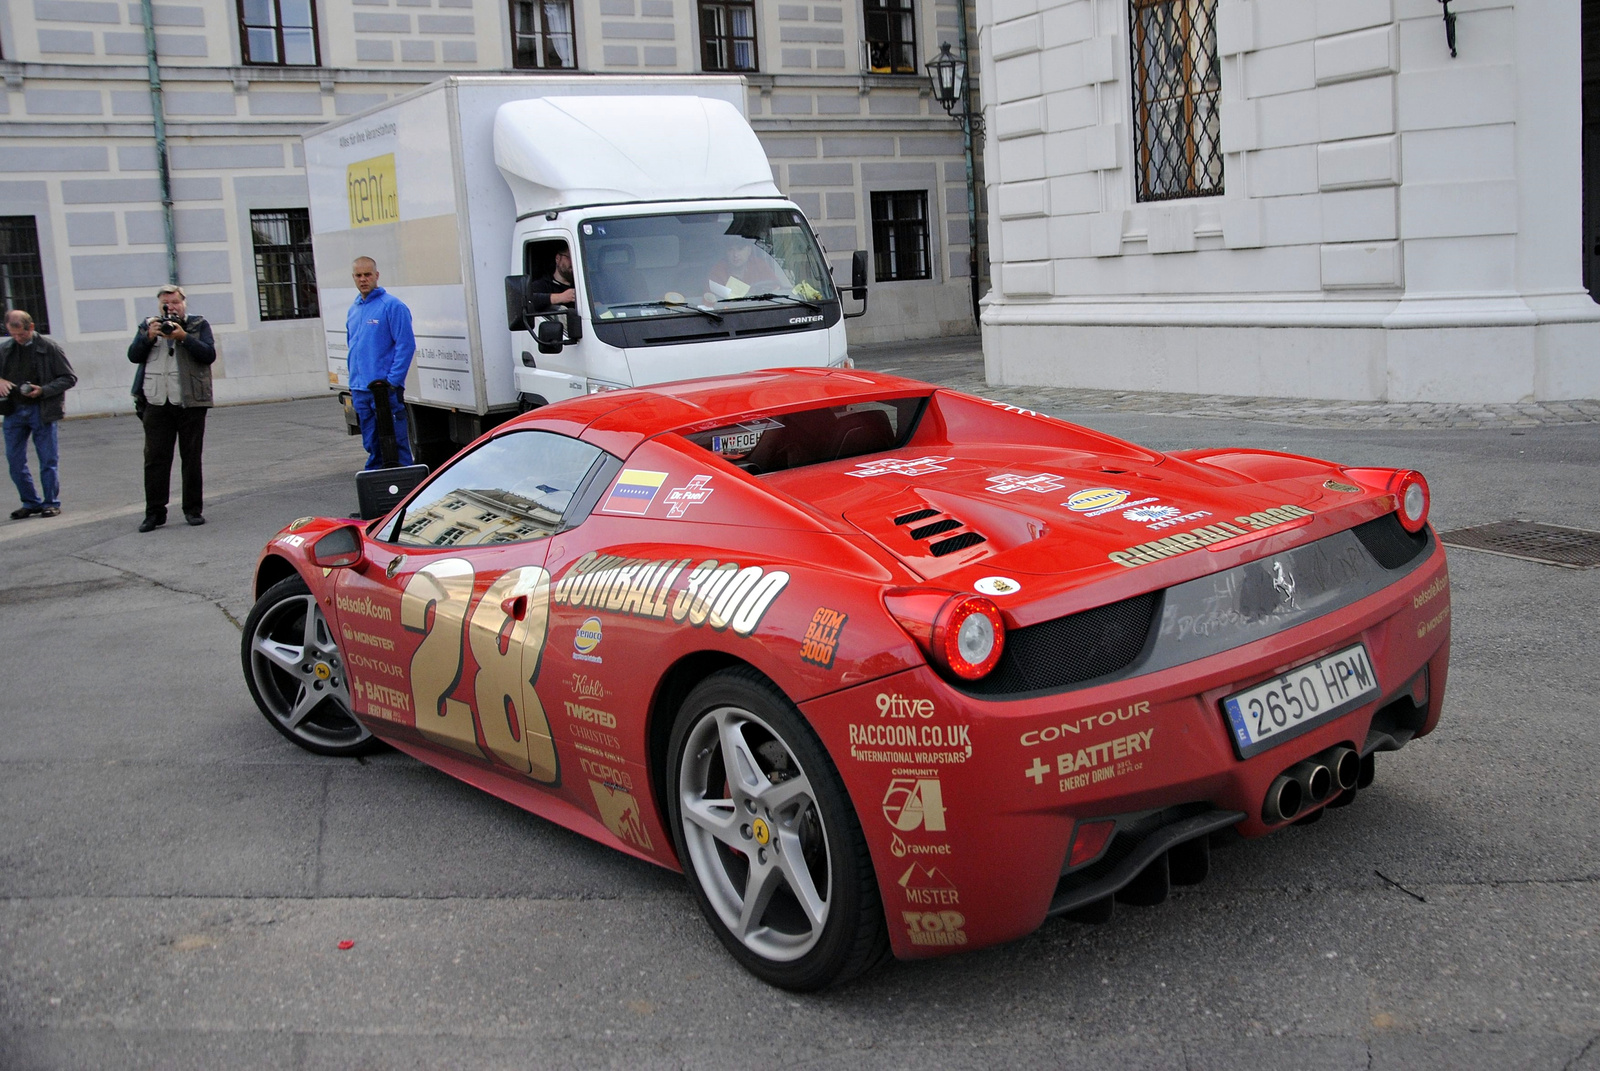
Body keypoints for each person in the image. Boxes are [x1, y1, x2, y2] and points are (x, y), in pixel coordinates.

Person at [128, 284, 216, 531]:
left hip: (189, 402)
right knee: (155, 459)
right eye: (165, 304)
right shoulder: (148, 325)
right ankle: (154, 513)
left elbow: (208, 354)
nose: (171, 308)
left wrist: (183, 337)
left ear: (183, 302)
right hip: (156, 402)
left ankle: (192, 510)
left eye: (175, 302)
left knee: (191, 458)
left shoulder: (198, 325)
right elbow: (133, 356)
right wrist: (148, 337)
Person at [1, 310, 77, 520]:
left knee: (48, 459)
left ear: (31, 327)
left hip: (41, 410)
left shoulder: (49, 348)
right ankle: (30, 502)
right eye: (13, 334)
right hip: (13, 410)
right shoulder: (5, 349)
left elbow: (69, 378)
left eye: (21, 335)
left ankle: (51, 503)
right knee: (14, 460)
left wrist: (43, 390)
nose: (17, 338)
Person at [346, 257, 416, 470]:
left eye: (368, 274)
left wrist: (391, 382)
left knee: (395, 444)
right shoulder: (354, 309)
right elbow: (353, 347)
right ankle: (379, 488)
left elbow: (406, 345)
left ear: (377, 276)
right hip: (360, 390)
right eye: (359, 275)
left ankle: (406, 490)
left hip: (384, 391)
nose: (363, 279)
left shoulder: (392, 306)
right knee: (372, 444)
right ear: (354, 278)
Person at [704, 235, 791, 303]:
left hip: (760, 309)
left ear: (749, 250)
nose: (735, 255)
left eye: (740, 249)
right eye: (731, 250)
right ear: (726, 253)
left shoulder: (759, 265)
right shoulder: (717, 271)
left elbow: (776, 288)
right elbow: (709, 300)